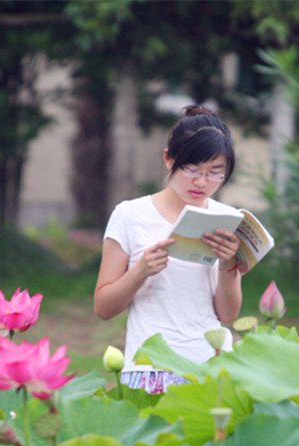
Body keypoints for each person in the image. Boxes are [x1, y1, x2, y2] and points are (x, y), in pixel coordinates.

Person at [94, 105, 241, 394]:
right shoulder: (130, 215)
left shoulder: (225, 219)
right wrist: (140, 271)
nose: (201, 182)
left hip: (211, 366)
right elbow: (103, 308)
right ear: (168, 158)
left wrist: (229, 265)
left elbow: (226, 315)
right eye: (192, 169)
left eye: (215, 173)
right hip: (150, 369)